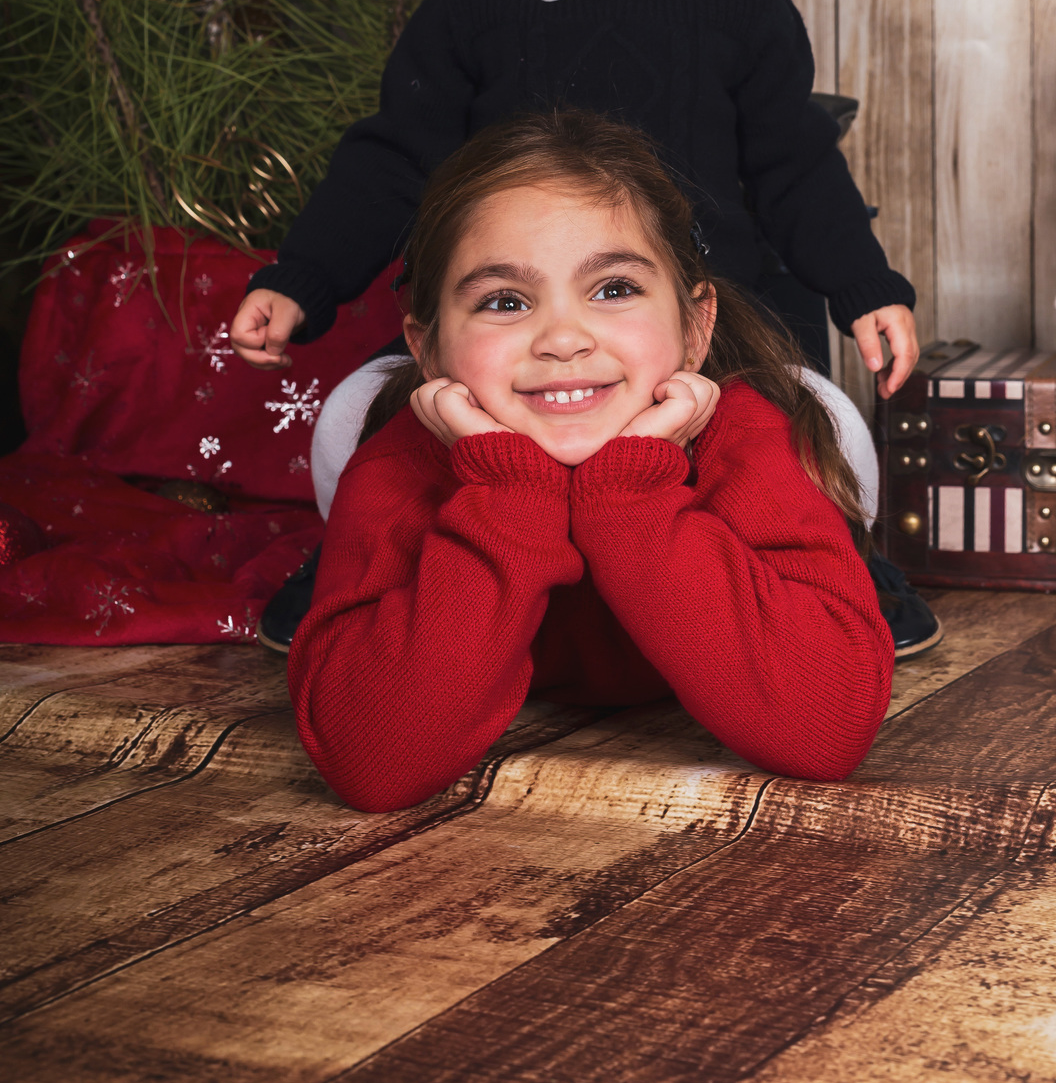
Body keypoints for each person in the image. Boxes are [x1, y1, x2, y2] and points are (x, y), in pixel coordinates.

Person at [234, 0, 934, 656]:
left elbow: (795, 169)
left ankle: (835, 562)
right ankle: (360, 566)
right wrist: (301, 281)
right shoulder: (473, 7)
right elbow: (395, 164)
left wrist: (866, 287)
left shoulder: (740, 9)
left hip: (702, 333)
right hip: (518, 337)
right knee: (363, 419)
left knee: (817, 431)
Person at [288, 112, 895, 812]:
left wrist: (632, 494)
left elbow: (827, 731)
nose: (564, 338)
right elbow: (373, 764)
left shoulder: (749, 440)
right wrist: (508, 488)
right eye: (504, 301)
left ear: (696, 327)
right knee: (345, 421)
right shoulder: (397, 466)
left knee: (825, 428)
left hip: (759, 535)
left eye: (613, 289)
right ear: (426, 349)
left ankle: (871, 562)